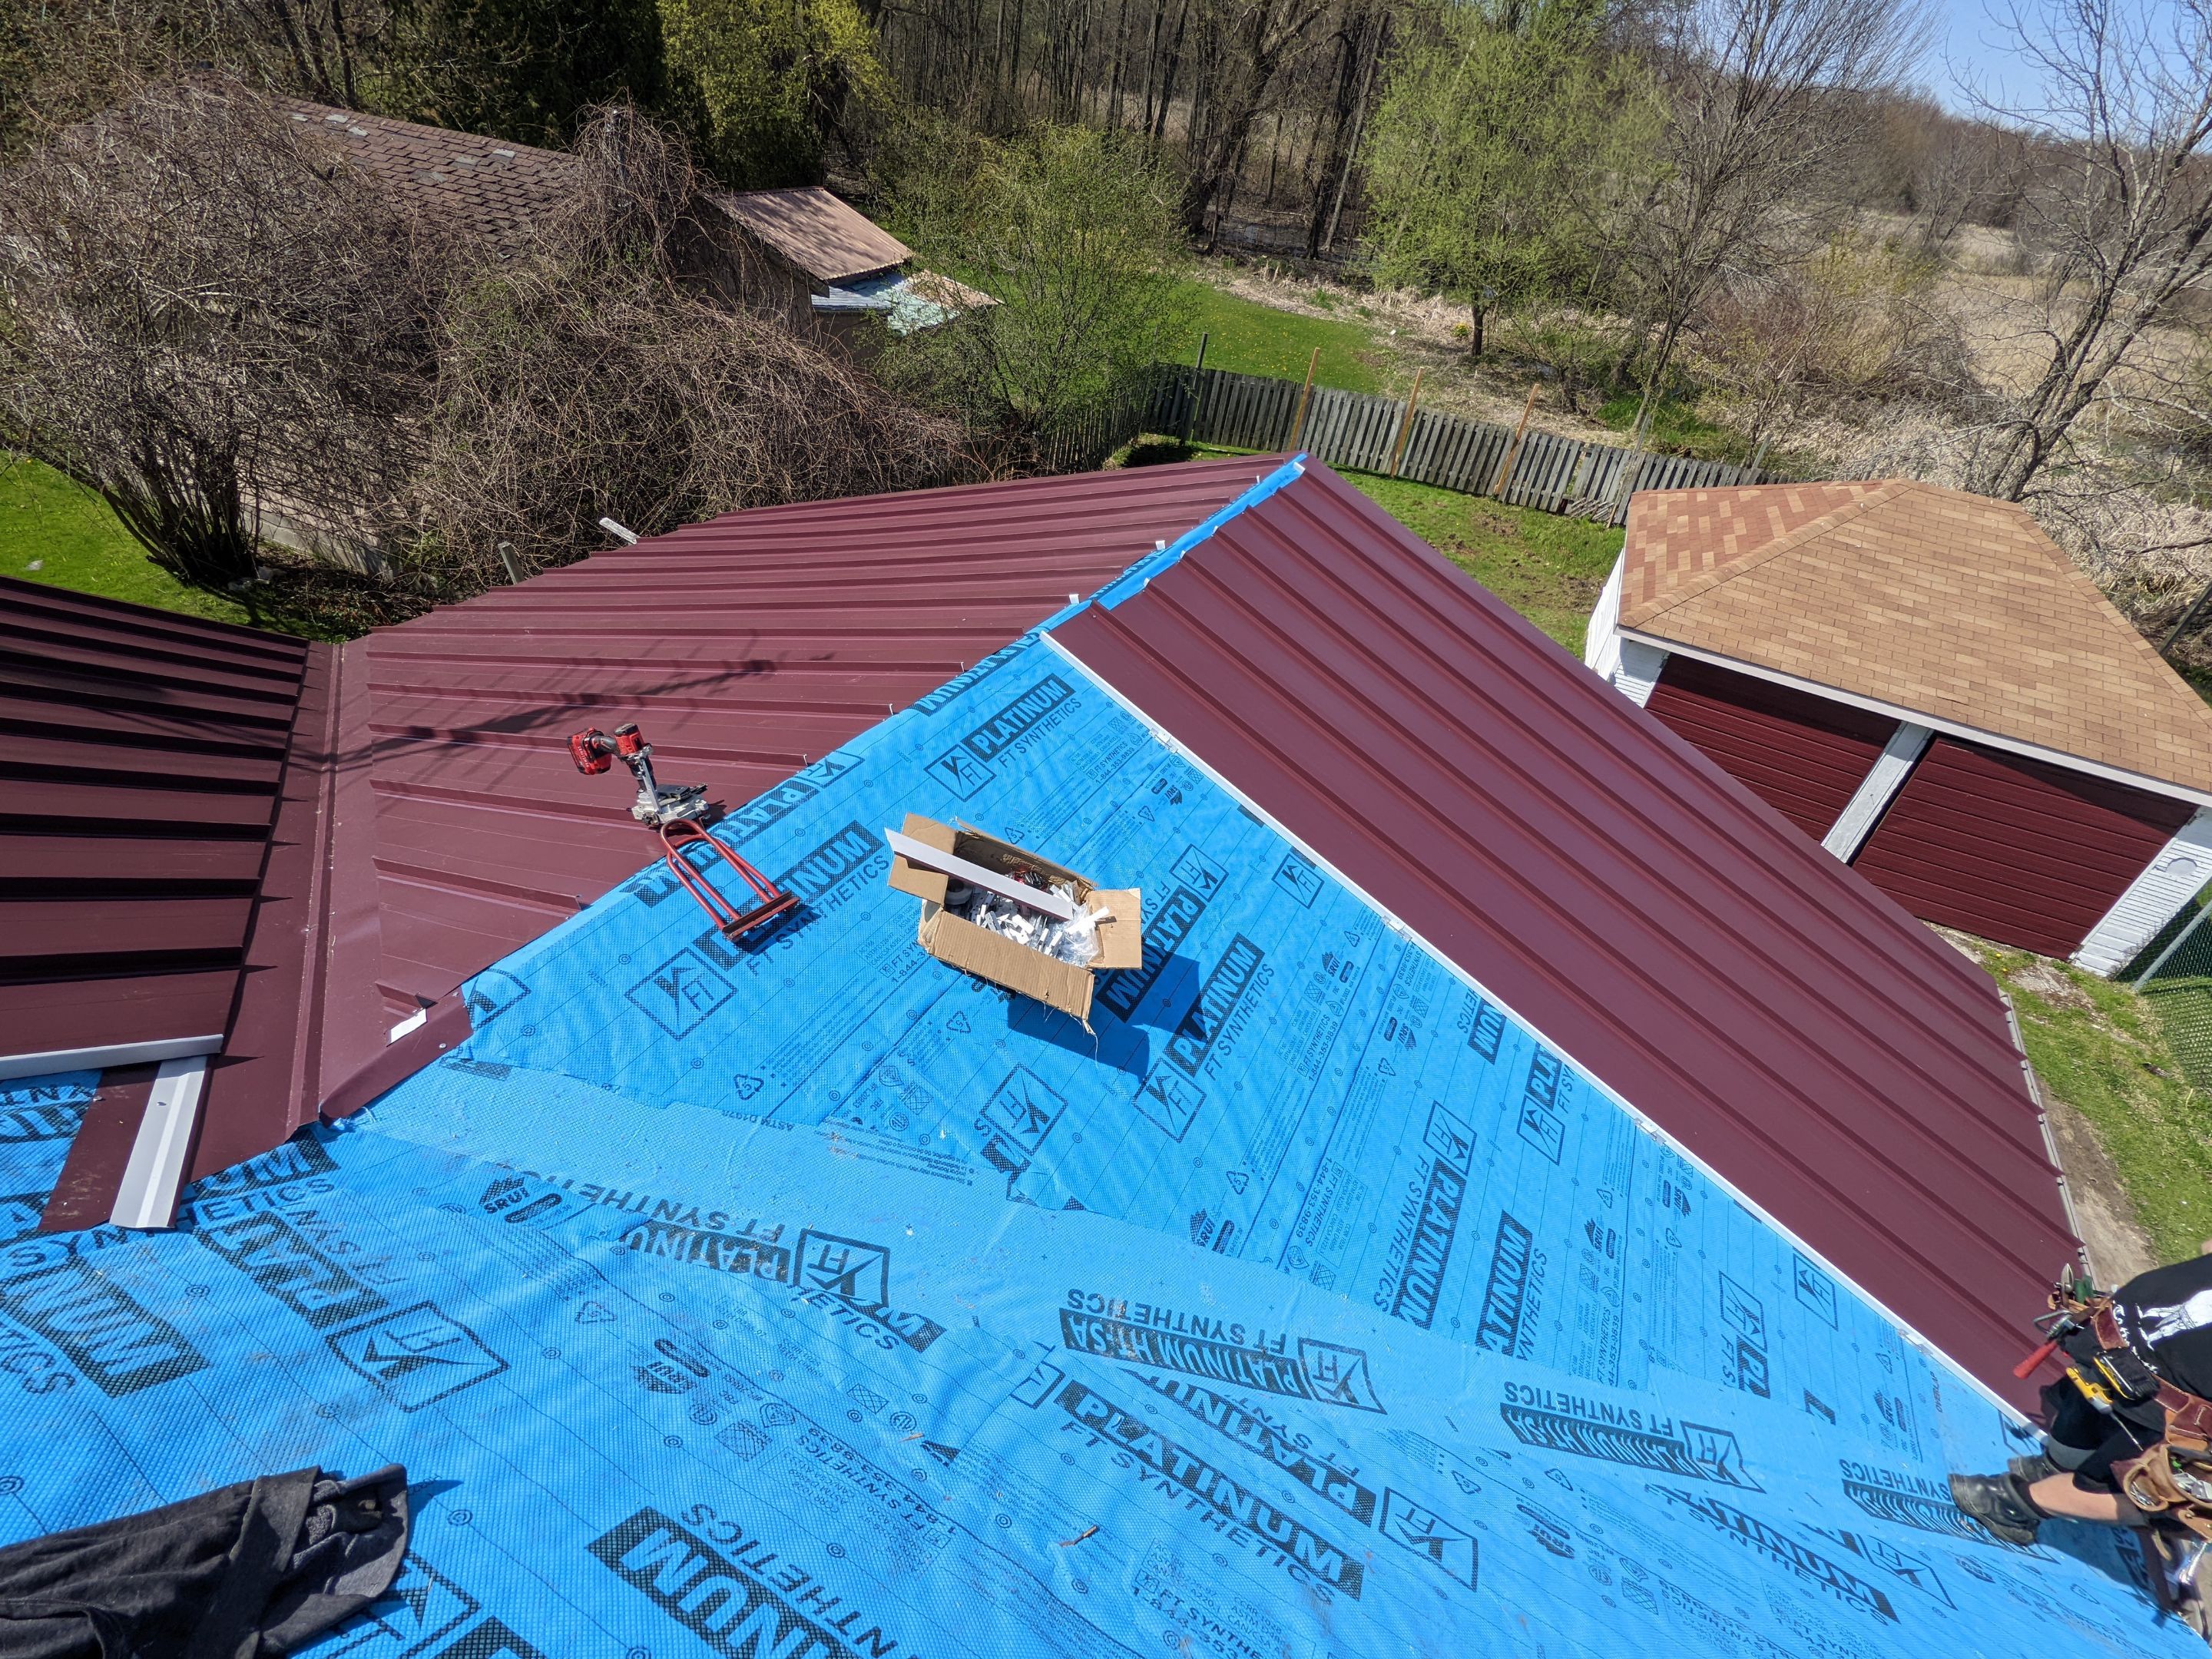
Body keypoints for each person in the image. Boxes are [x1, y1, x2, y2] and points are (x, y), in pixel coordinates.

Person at [1952, 1243, 2212, 1548]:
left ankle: (2049, 1468)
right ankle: (2008, 1502)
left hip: (2107, 1329)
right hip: (2149, 1390)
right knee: (2179, 1497)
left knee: (2125, 1385)